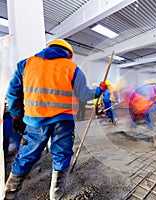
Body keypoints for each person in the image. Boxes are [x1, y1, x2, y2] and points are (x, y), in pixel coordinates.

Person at [4, 39, 107, 200]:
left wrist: (17, 115)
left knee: (25, 157)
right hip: (63, 123)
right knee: (62, 155)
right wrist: (100, 89)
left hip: (34, 121)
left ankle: (9, 195)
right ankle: (55, 195)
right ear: (69, 54)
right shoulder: (72, 68)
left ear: (49, 48)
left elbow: (12, 93)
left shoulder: (26, 64)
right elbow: (85, 95)